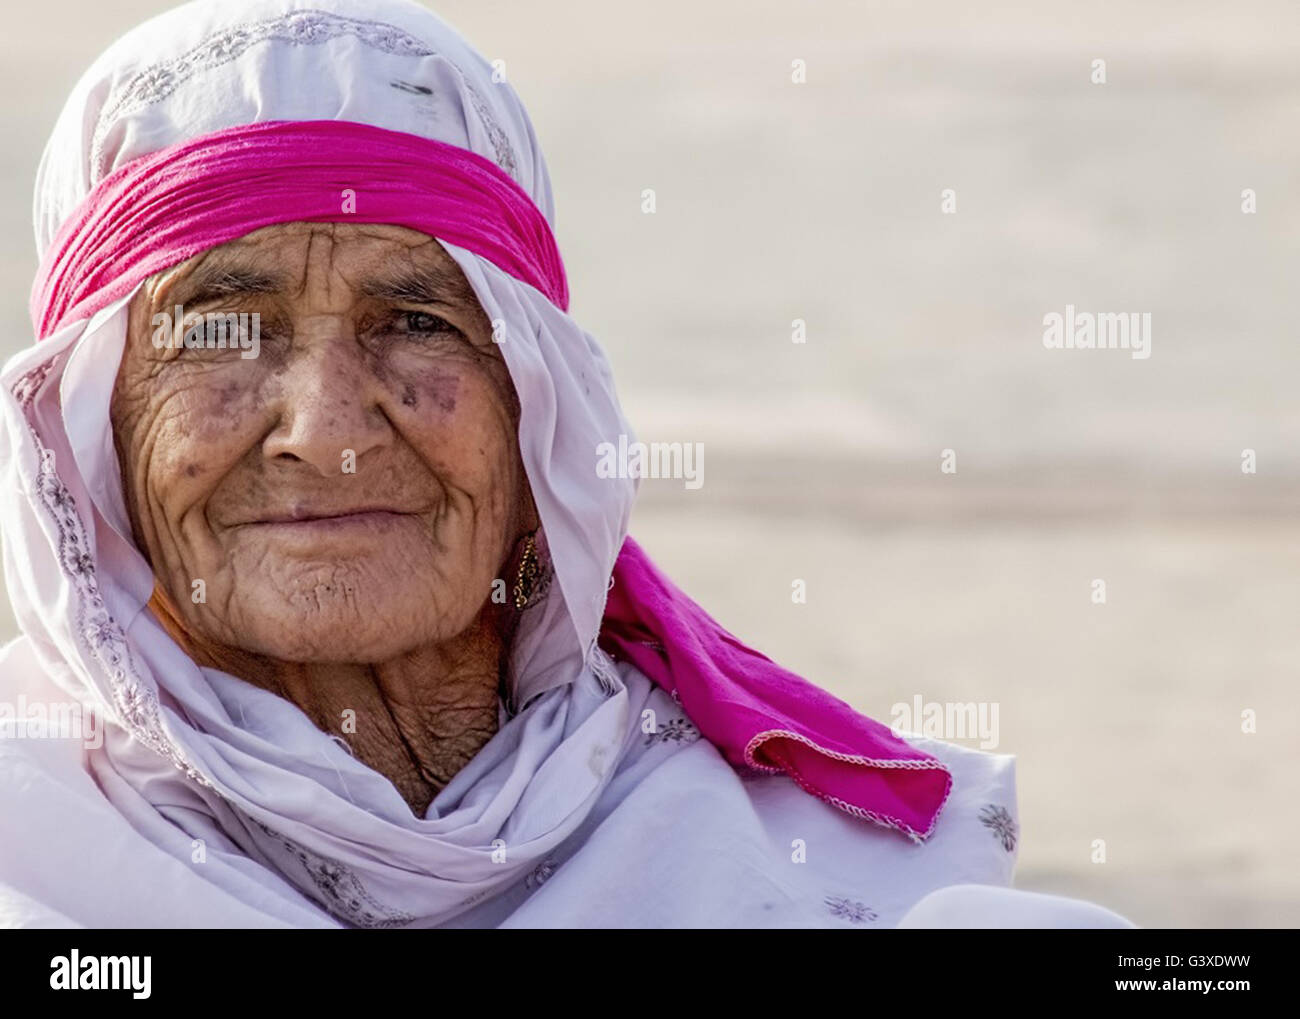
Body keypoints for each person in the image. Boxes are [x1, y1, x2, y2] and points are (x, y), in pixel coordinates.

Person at [0, 0, 1131, 929]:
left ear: (534, 400)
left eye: (420, 321)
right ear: (91, 422)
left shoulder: (808, 876)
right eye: (220, 331)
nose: (327, 427)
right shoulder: (31, 851)